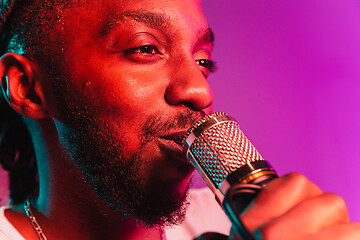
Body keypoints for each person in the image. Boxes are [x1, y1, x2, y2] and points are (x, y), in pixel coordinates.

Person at [0, 0, 359, 239]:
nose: (201, 92)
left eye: (203, 61)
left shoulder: (249, 223)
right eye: (145, 48)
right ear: (28, 88)